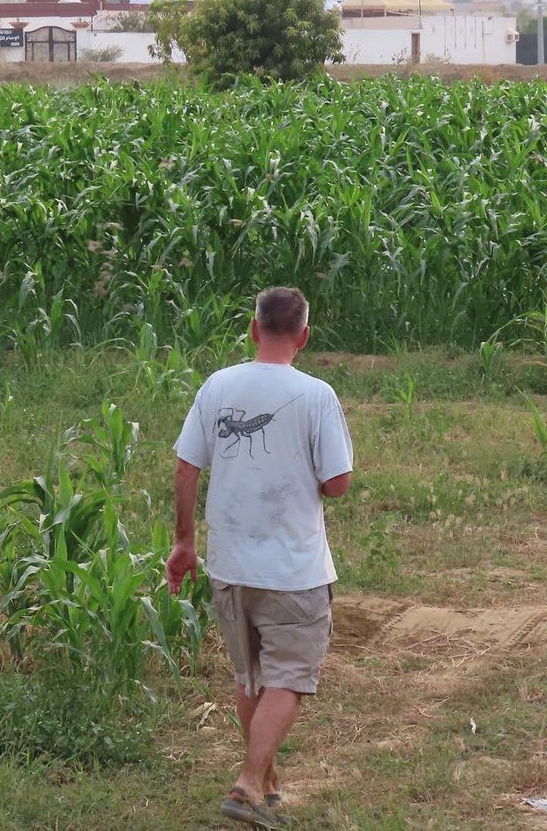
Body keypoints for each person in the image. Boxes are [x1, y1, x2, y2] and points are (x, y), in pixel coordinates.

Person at [166, 286, 353, 829]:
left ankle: (268, 784)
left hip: (229, 562)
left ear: (253, 330)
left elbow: (185, 468)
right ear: (304, 337)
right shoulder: (317, 395)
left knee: (251, 677)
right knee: (289, 677)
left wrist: (184, 542)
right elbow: (337, 483)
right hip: (293, 567)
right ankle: (248, 783)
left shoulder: (217, 385)